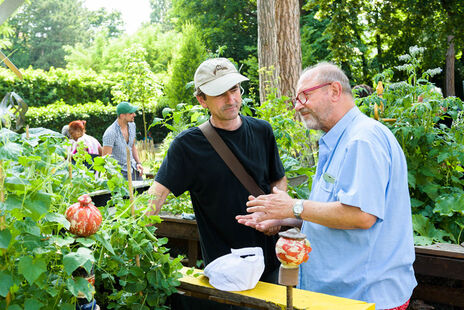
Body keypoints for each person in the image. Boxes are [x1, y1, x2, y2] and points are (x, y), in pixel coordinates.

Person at [237, 62, 417, 310]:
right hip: (338, 295)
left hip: (364, 297)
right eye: (296, 99)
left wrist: (294, 207)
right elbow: (335, 212)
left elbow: (361, 215)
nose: (298, 105)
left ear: (334, 90)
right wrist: (285, 219)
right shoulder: (337, 140)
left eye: (304, 96)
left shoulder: (362, 139)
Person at [147, 57, 287, 289]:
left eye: (234, 89)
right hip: (225, 267)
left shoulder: (263, 131)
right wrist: (133, 232)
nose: (231, 99)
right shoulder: (187, 145)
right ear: (202, 100)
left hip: (268, 260)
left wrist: (276, 214)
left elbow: (278, 178)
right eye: (221, 93)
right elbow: (157, 195)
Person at [102, 101, 143, 181]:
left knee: (143, 192)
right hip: (120, 174)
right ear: (122, 115)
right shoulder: (110, 133)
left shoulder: (132, 125)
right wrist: (115, 178)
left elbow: (132, 146)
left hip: (134, 169)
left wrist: (138, 163)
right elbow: (105, 159)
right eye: (131, 113)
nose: (134, 115)